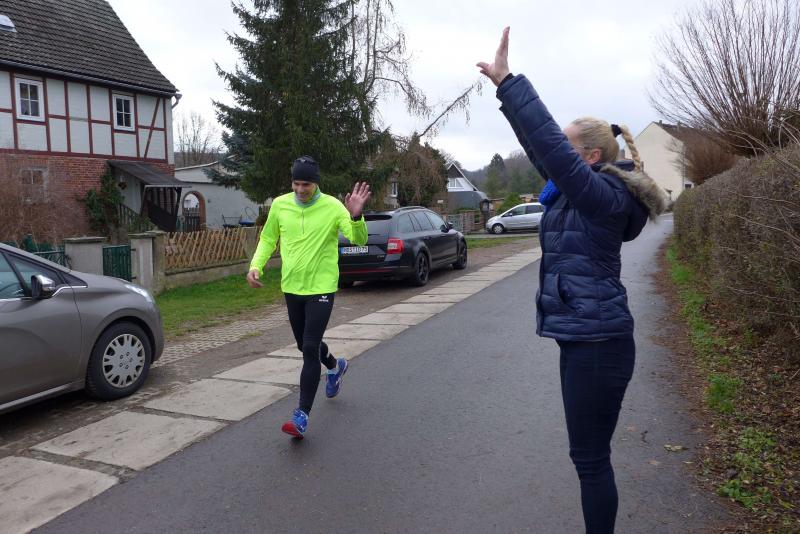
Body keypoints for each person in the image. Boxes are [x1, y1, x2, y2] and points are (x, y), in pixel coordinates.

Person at [478, 28, 668, 534]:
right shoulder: (578, 192)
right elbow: (544, 151)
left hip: (599, 343)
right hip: (586, 338)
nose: (558, 155)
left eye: (569, 146)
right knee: (587, 456)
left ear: (589, 157)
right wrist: (504, 94)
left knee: (590, 460)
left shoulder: (602, 197)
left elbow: (551, 148)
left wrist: (513, 82)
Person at [246, 156, 371, 439]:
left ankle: (301, 415)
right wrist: (256, 266)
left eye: (307, 184)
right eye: (297, 183)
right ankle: (335, 366)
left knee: (310, 347)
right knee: (303, 345)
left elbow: (358, 239)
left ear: (316, 183)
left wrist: (355, 216)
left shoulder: (332, 206)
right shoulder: (280, 205)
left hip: (321, 287)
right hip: (292, 286)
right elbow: (268, 239)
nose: (301, 189)